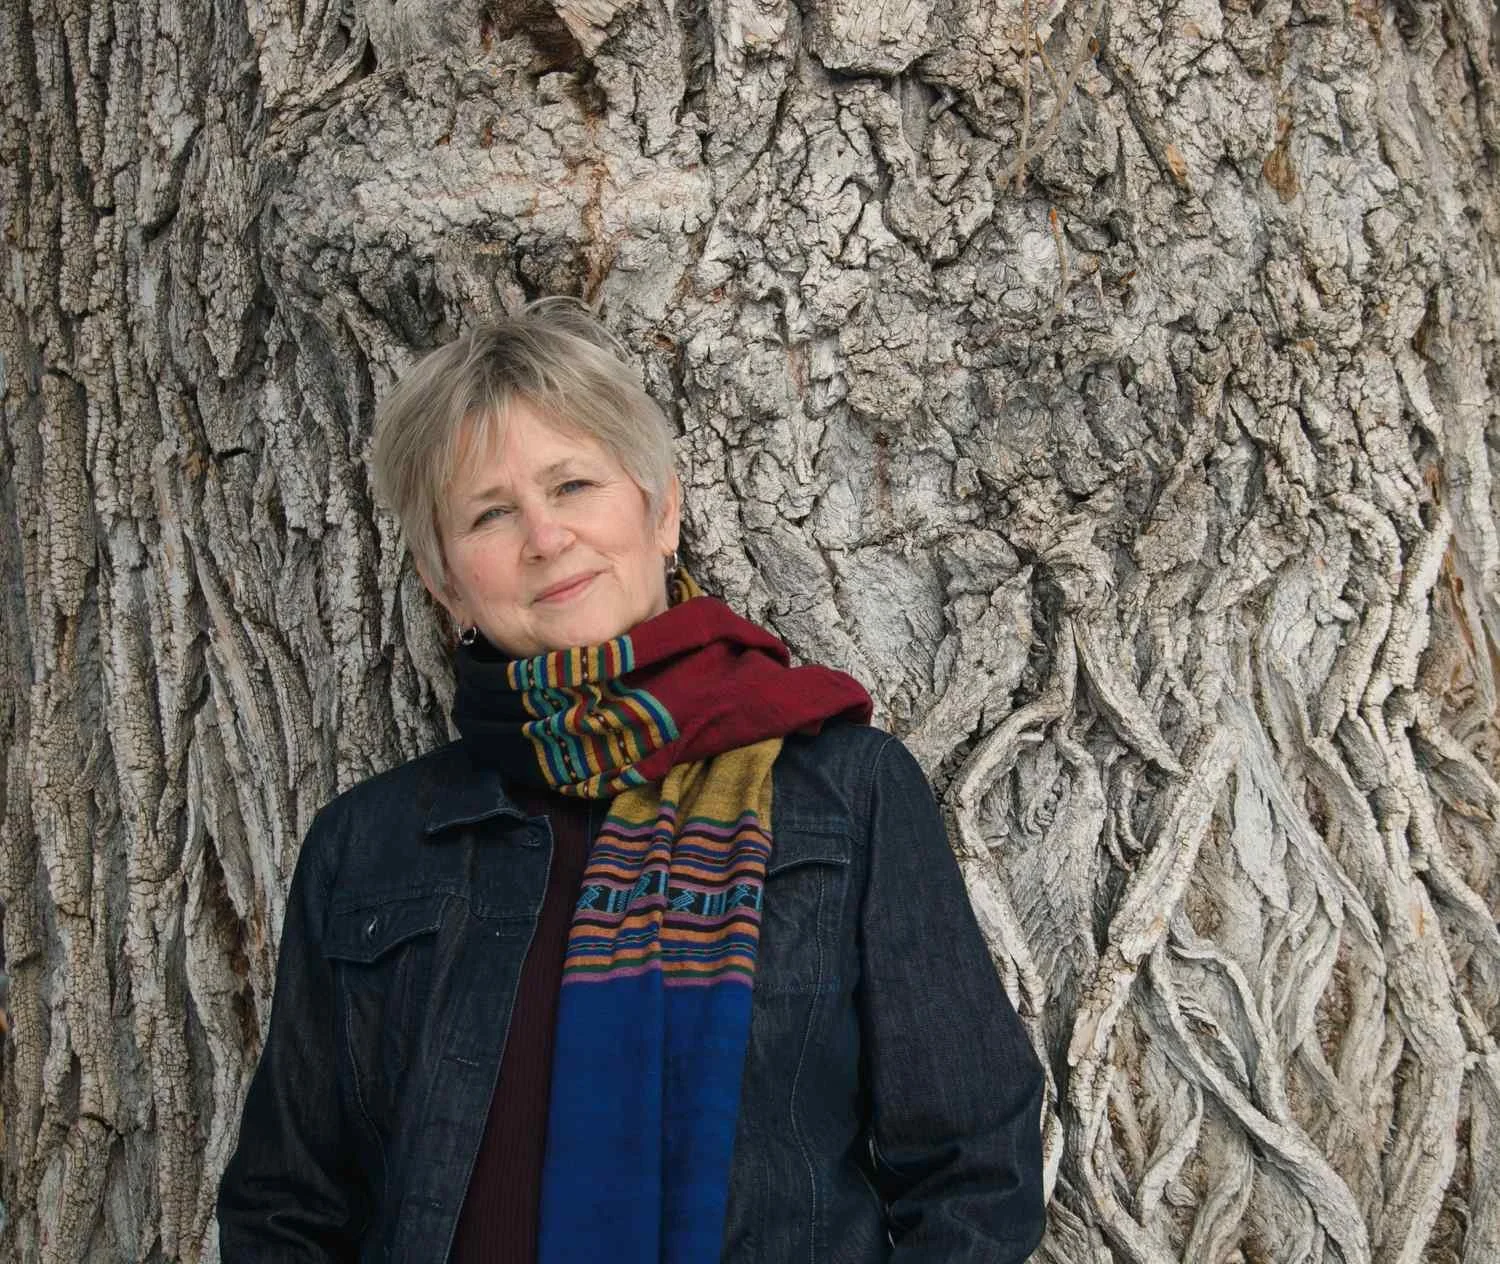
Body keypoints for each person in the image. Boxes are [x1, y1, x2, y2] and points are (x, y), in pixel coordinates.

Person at [217, 299, 1046, 1262]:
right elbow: (288, 1203)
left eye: (573, 484)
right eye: (490, 512)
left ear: (660, 511)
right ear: (446, 583)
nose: (544, 536)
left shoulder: (844, 793)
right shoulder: (369, 845)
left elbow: (973, 1170)